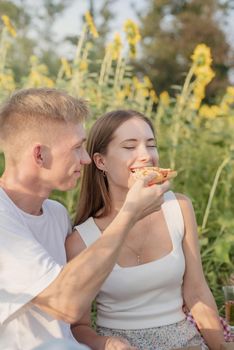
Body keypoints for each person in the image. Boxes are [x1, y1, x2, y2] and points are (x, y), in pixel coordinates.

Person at [0, 89, 170, 350]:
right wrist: (129, 214)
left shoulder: (56, 215)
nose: (86, 158)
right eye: (77, 147)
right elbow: (65, 305)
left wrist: (105, 343)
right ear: (39, 155)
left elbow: (75, 323)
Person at [66, 109, 225, 350]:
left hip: (187, 342)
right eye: (130, 147)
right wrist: (107, 344)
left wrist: (222, 347)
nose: (146, 156)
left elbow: (197, 293)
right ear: (101, 161)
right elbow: (78, 327)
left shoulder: (179, 207)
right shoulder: (81, 240)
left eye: (151, 145)